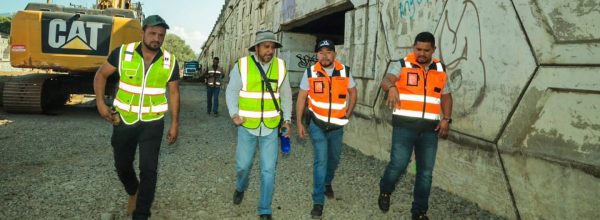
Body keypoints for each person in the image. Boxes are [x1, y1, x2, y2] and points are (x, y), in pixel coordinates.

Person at [93, 15, 180, 220]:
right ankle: (133, 190)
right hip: (124, 120)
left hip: (153, 122)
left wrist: (175, 123)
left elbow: (174, 92)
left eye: (161, 35)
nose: (156, 38)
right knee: (122, 164)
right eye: (152, 33)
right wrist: (100, 103)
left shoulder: (170, 61)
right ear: (142, 33)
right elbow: (101, 75)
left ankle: (141, 214)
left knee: (149, 169)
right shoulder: (123, 53)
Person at [377, 31, 453, 220]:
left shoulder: (440, 69)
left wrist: (447, 118)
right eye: (418, 49)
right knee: (398, 165)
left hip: (430, 130)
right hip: (404, 127)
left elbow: (446, 95)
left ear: (433, 50)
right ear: (414, 47)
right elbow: (385, 81)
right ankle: (385, 190)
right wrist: (392, 87)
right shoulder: (402, 65)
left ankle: (419, 211)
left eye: (426, 50)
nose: (422, 53)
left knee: (425, 173)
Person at [225, 30, 292, 220]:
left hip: (271, 127)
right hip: (247, 126)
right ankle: (240, 187)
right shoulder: (243, 65)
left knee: (268, 170)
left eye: (273, 47)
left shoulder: (280, 66)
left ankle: (265, 209)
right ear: (256, 48)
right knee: (243, 166)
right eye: (266, 47)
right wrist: (234, 113)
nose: (270, 51)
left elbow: (286, 95)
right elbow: (231, 91)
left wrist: (287, 120)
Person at [295, 39, 357, 219]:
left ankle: (327, 182)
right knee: (321, 160)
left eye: (328, 52)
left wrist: (349, 112)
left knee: (334, 158)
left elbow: (353, 92)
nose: (325, 55)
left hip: (338, 125)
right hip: (317, 125)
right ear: (317, 55)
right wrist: (299, 122)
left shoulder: (344, 71)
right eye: (321, 52)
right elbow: (301, 98)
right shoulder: (310, 73)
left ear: (334, 54)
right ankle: (318, 201)